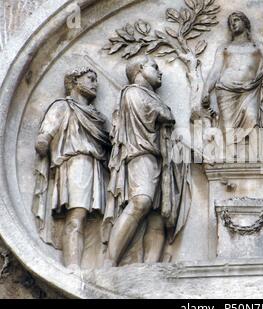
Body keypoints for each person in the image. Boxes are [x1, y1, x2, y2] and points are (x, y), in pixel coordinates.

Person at [103, 55, 186, 267]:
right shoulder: (132, 92)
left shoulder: (148, 95)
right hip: (140, 154)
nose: (160, 72)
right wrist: (162, 111)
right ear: (140, 68)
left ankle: (150, 267)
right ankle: (109, 263)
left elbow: (165, 114)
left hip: (161, 158)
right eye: (154, 67)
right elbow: (162, 114)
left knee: (158, 215)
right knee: (141, 201)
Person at [33, 67, 110, 269]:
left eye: (96, 79)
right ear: (75, 81)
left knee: (90, 219)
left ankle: (85, 264)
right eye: (90, 78)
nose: (95, 84)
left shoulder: (96, 116)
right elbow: (44, 137)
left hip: (94, 166)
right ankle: (73, 266)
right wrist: (44, 141)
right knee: (77, 215)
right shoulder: (62, 107)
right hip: (75, 163)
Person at [201, 11, 263, 157]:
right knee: (228, 124)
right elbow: (215, 71)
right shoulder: (225, 48)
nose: (233, 23)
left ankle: (257, 155)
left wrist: (256, 81)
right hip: (226, 89)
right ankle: (231, 157)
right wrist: (206, 90)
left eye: (236, 20)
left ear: (245, 22)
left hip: (250, 88)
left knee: (252, 117)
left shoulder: (257, 46)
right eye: (231, 21)